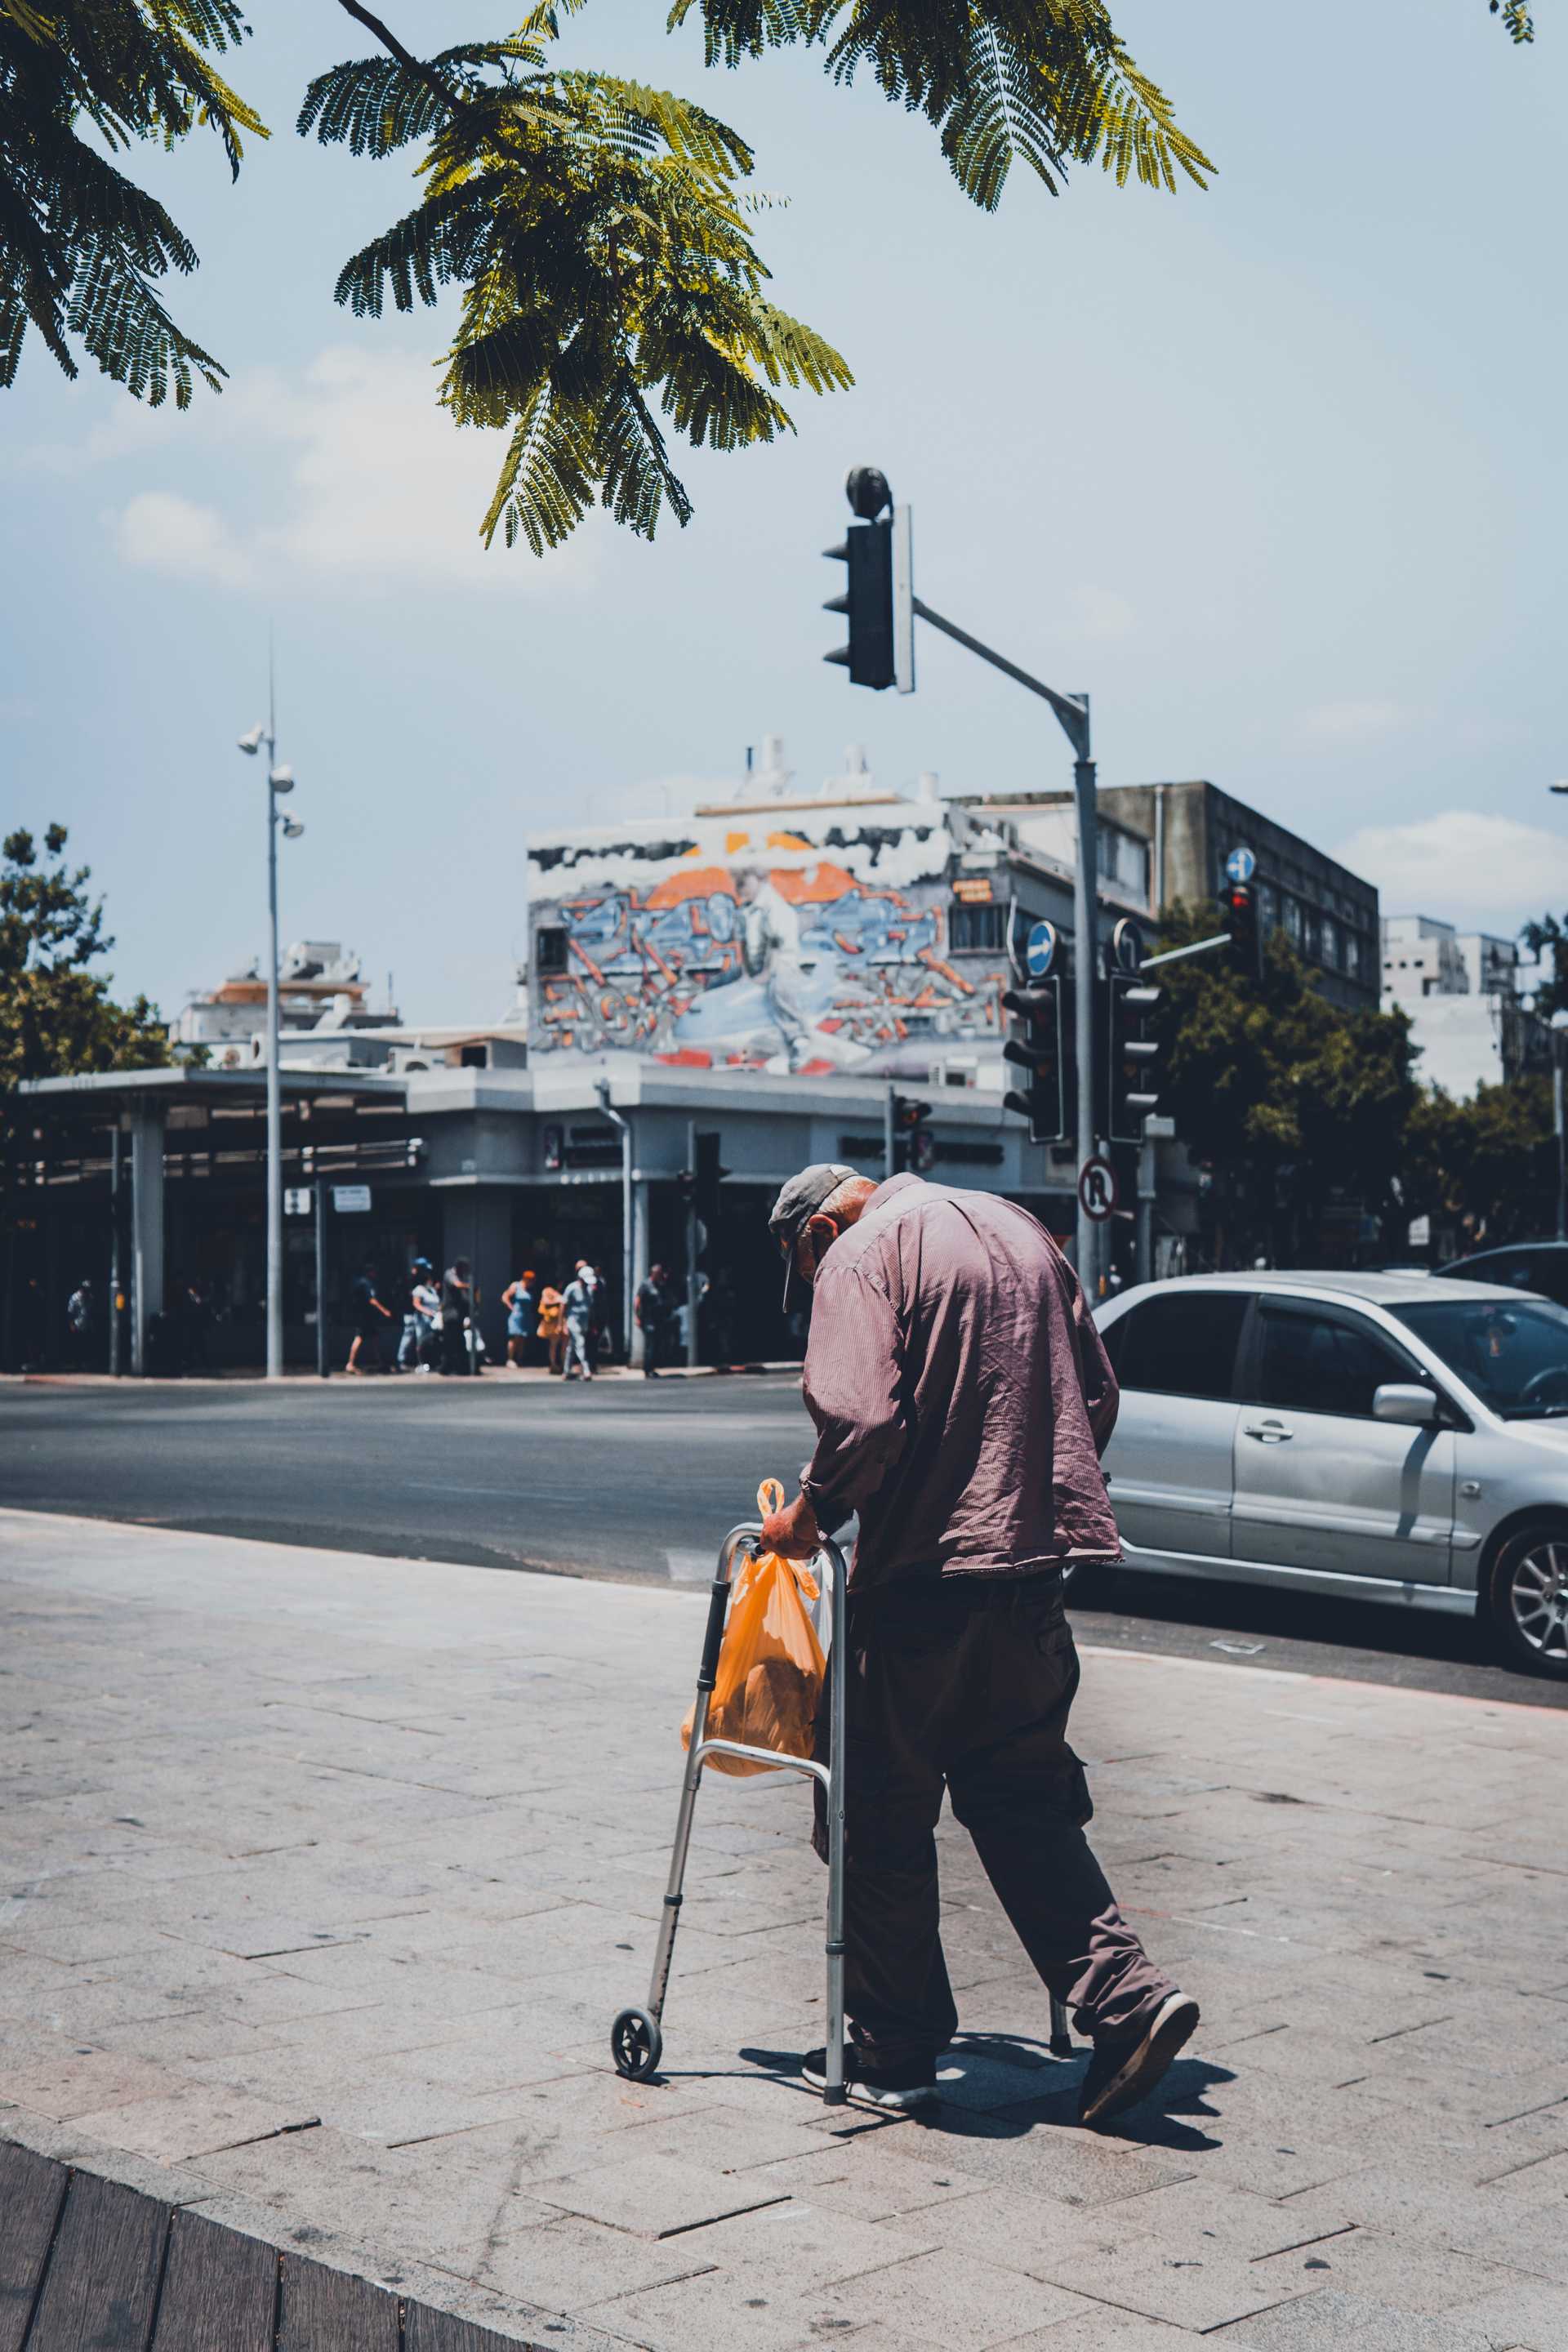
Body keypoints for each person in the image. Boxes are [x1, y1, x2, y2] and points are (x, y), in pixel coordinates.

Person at [760, 1162, 1199, 2122]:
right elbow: (1097, 1395)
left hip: (925, 1578)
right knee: (1022, 1796)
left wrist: (813, 1512)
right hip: (1036, 1574)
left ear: (817, 1235)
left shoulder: (861, 1256)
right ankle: (1129, 2003)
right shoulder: (1015, 1227)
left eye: (802, 1268)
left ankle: (897, 2045)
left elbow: (863, 1417)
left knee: (874, 1807)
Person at [346, 1261, 393, 1374]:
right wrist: (384, 1310)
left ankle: (380, 1362)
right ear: (369, 1272)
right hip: (364, 1317)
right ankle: (350, 1364)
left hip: (367, 1316)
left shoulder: (366, 1282)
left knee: (375, 1338)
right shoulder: (366, 1283)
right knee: (359, 1338)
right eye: (373, 1271)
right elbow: (372, 1300)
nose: (375, 1273)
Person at [560, 1260, 600, 1382]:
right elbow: (563, 1305)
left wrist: (593, 1324)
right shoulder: (571, 1288)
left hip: (584, 1322)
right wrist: (562, 1324)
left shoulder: (590, 1290)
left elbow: (590, 1308)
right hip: (573, 1321)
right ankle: (587, 1370)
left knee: (572, 1347)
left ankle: (566, 1371)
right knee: (580, 1344)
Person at [635, 1263, 675, 1377]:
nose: (660, 1275)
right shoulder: (646, 1285)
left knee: (657, 1344)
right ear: (653, 1273)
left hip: (659, 1319)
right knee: (651, 1345)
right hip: (648, 1320)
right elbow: (637, 1301)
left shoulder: (660, 1285)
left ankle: (652, 1367)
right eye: (658, 1273)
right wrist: (637, 1317)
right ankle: (647, 1370)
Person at [399, 1258, 439, 1373]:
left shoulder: (429, 1288)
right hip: (413, 1314)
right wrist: (427, 1312)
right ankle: (403, 1361)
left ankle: (426, 1362)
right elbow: (414, 1302)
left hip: (426, 1318)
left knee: (424, 1339)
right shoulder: (412, 1281)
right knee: (412, 1337)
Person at [441, 1258, 474, 1374]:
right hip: (451, 1315)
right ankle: (446, 1368)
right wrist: (469, 1286)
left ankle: (460, 1368)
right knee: (451, 1342)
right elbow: (457, 1285)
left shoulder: (460, 1276)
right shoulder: (450, 1274)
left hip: (458, 1315)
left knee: (459, 1342)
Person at [502, 1270, 537, 1370]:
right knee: (514, 1338)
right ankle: (510, 1359)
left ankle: (519, 1359)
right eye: (530, 1280)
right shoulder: (516, 1286)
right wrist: (511, 1307)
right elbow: (505, 1297)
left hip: (526, 1316)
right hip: (517, 1315)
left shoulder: (528, 1289)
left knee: (522, 1339)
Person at [65, 1276, 96, 1369]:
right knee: (77, 1345)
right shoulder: (75, 1298)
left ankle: (85, 1362)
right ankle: (76, 1363)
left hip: (87, 1324)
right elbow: (70, 1312)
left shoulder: (90, 1297)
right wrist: (71, 1324)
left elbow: (91, 1311)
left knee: (86, 1344)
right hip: (77, 1324)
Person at [537, 1277, 565, 1374]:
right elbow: (545, 1301)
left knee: (564, 1345)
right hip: (552, 1322)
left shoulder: (558, 1292)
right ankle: (553, 1365)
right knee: (554, 1345)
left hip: (561, 1321)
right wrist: (559, 1300)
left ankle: (563, 1365)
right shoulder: (548, 1290)